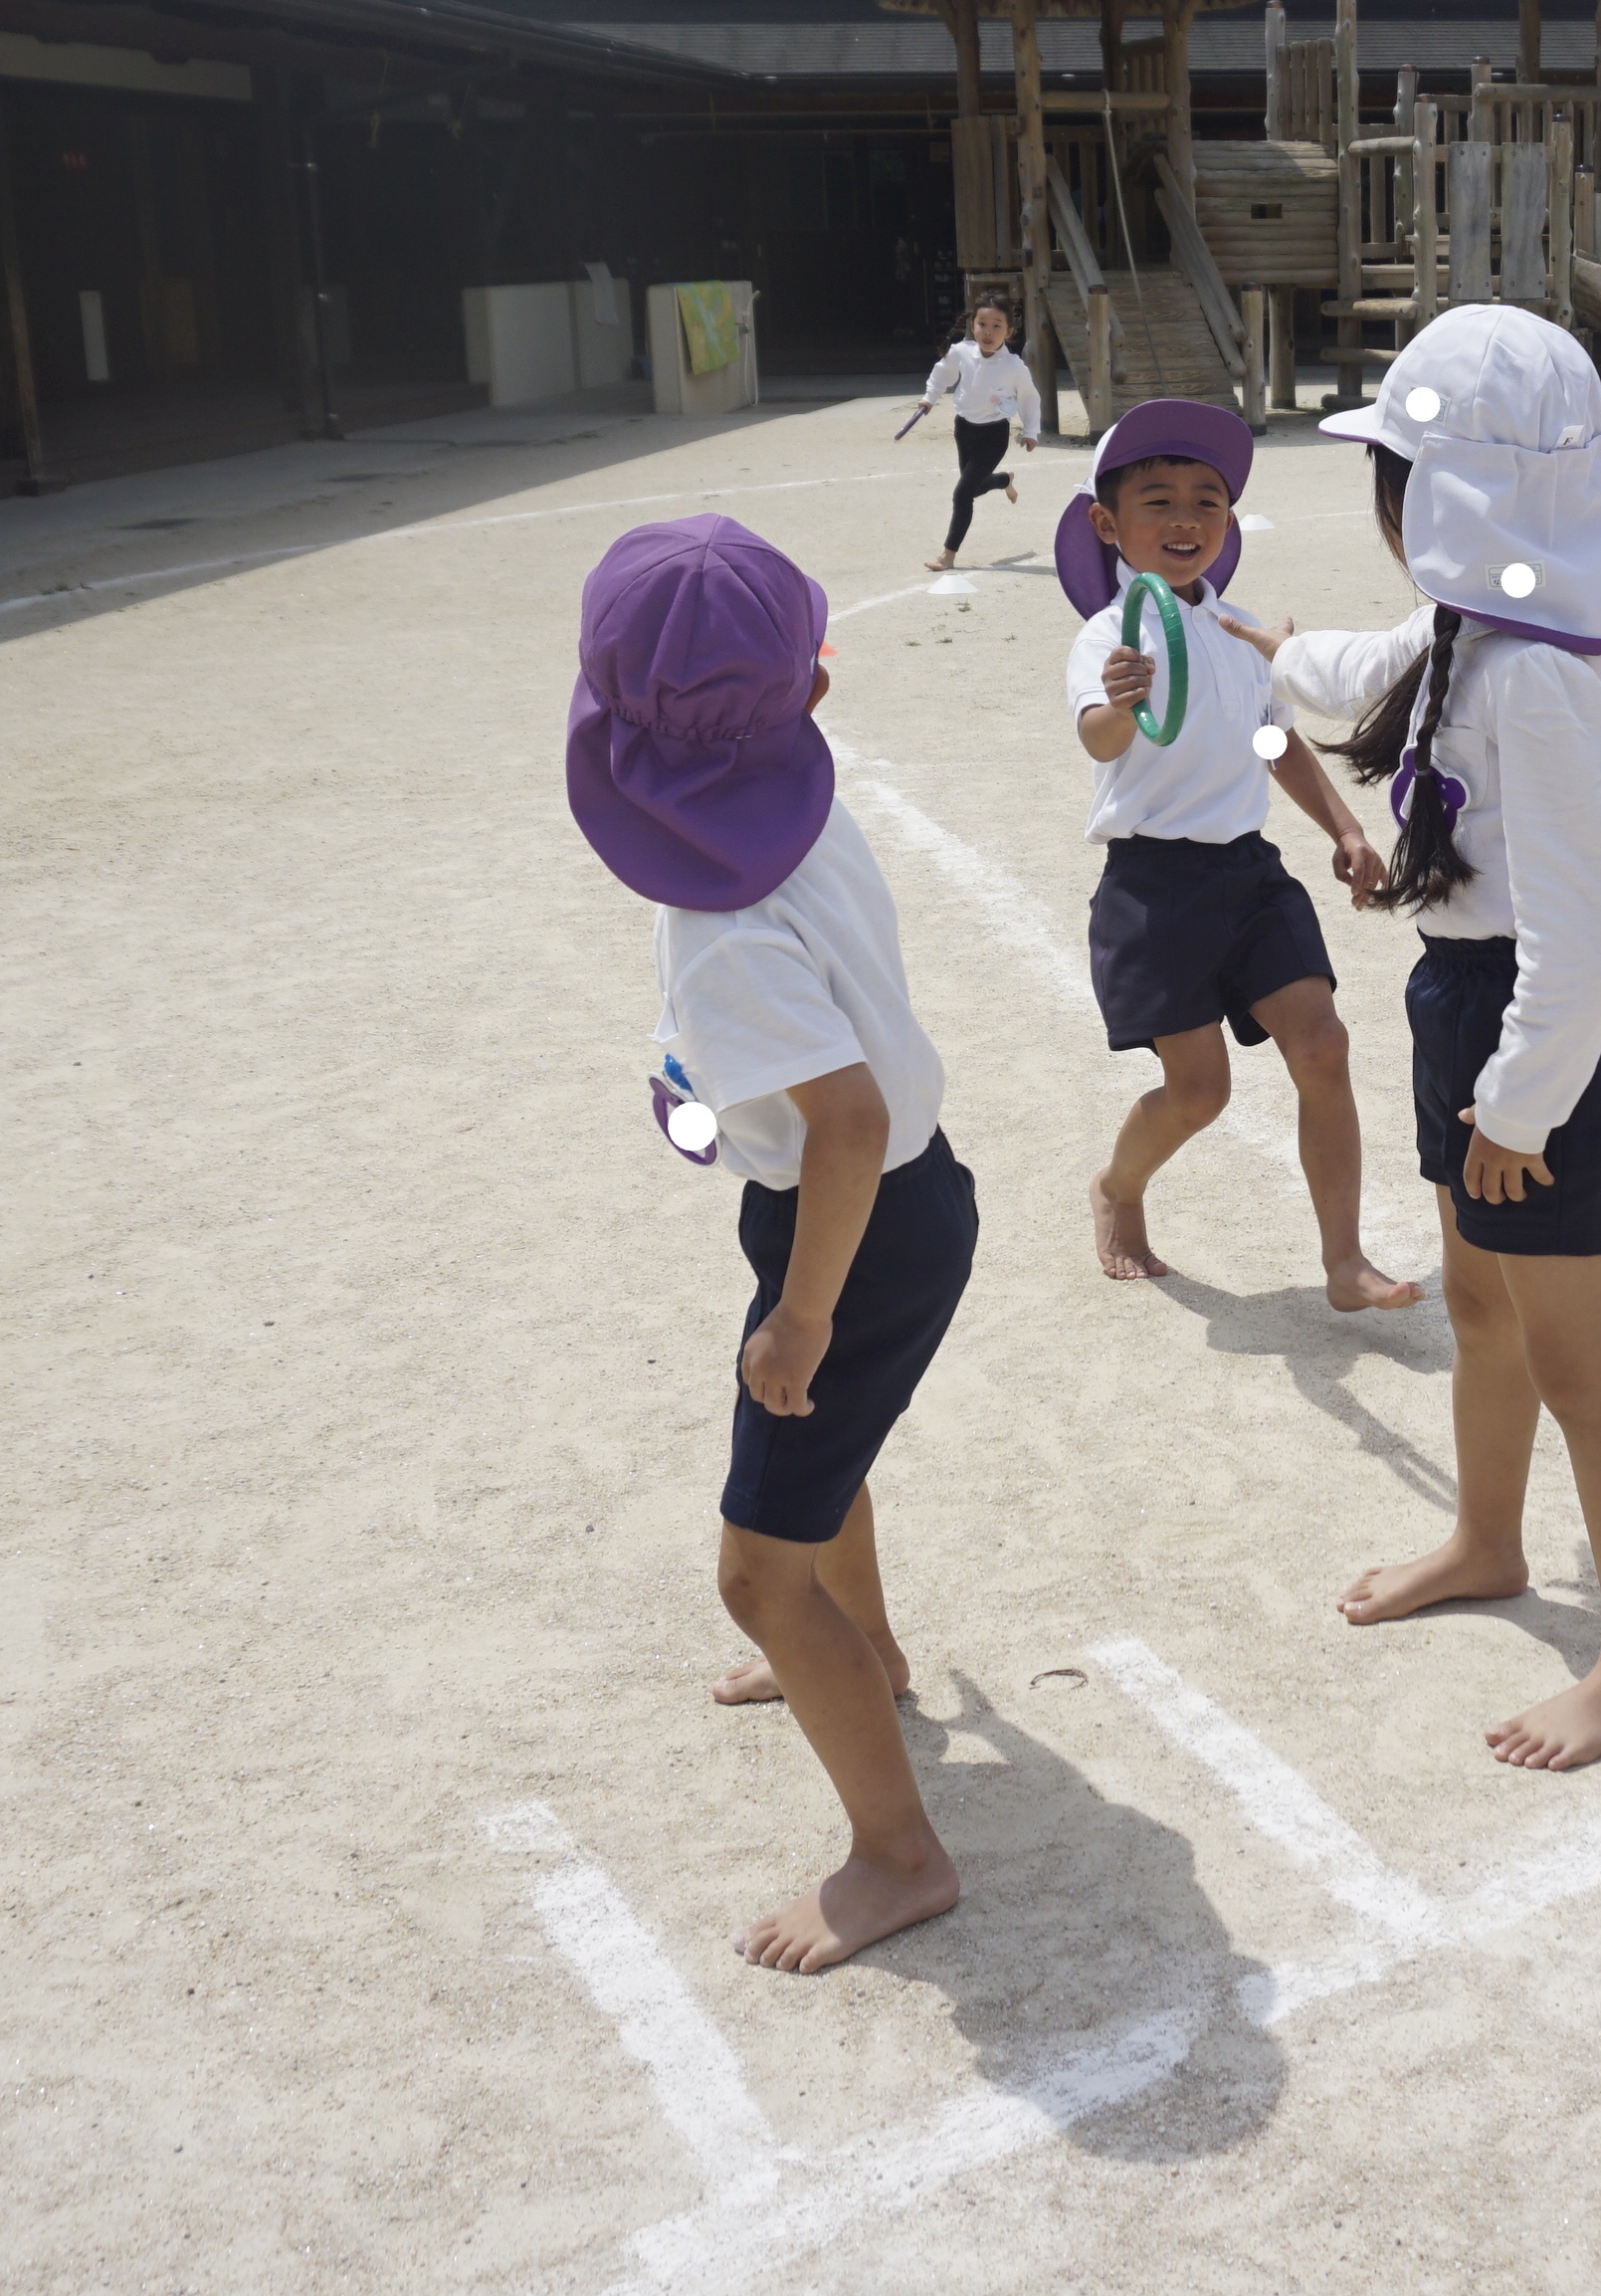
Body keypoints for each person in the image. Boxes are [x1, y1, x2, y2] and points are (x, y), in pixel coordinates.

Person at [1228, 306, 1601, 1772]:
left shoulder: (1543, 676)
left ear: (1455, 497)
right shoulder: (1465, 630)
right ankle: (1488, 1538)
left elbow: (1585, 935)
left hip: (1535, 1044)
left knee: (1580, 1369)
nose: (1391, 504)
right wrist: (1259, 644)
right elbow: (1365, 673)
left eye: (1403, 477)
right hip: (1460, 1009)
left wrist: (1519, 1110)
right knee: (1480, 1315)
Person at [568, 514, 975, 1975]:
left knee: (754, 1569)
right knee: (821, 1478)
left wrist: (801, 1318)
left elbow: (847, 1124)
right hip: (883, 1208)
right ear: (810, 693)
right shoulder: (800, 812)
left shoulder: (721, 918)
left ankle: (898, 1853)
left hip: (851, 1225)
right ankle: (865, 1654)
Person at [1059, 395, 1419, 1310]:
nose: (1185, 518)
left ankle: (1343, 1259)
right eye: (1158, 499)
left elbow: (1273, 742)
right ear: (1108, 524)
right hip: (1153, 885)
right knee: (1198, 1091)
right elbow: (1099, 743)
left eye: (1206, 500)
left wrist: (1341, 826)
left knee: (1323, 1044)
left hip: (1247, 874)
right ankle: (1117, 1186)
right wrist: (1122, 702)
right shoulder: (1110, 638)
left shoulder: (1237, 628)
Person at [911, 297, 1041, 572]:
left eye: (997, 326)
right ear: (973, 325)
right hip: (964, 429)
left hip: (994, 435)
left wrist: (1030, 431)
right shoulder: (960, 352)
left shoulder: (1014, 366)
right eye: (982, 324)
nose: (988, 332)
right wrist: (929, 398)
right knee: (975, 487)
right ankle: (1005, 479)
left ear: (1009, 332)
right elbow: (941, 374)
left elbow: (1029, 397)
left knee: (962, 493)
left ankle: (948, 554)